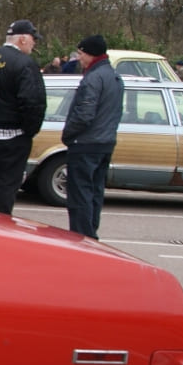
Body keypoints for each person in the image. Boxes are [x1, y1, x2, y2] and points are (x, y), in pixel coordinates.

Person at [0, 18, 46, 214]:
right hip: (14, 135)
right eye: (32, 39)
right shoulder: (26, 64)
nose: (34, 43)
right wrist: (29, 130)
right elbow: (33, 103)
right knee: (7, 183)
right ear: (22, 39)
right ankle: (2, 224)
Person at [60, 35, 124, 239]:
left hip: (86, 144)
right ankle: (90, 234)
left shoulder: (94, 78)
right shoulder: (114, 76)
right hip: (104, 142)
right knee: (95, 194)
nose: (79, 58)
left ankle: (82, 238)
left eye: (81, 53)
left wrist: (68, 134)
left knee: (80, 196)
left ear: (90, 53)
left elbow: (84, 114)